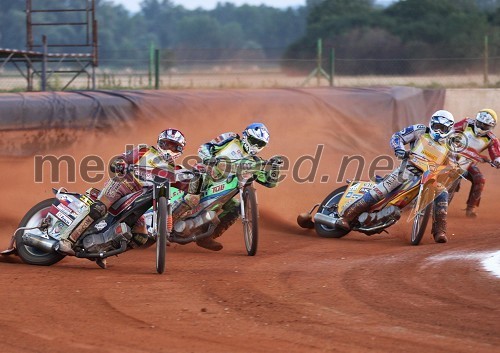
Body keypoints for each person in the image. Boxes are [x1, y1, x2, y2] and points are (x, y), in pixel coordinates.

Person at [57, 128, 198, 268]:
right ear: (160, 143)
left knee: (140, 237)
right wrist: (121, 163)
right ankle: (67, 239)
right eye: (167, 144)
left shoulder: (175, 171)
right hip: (122, 184)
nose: (169, 149)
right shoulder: (145, 151)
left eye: (174, 147)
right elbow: (122, 158)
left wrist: (198, 178)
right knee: (99, 208)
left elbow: (190, 188)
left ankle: (102, 251)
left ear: (180, 150)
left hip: (139, 198)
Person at [336, 110, 456, 243]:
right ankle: (346, 217)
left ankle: (440, 231)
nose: (438, 131)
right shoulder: (420, 130)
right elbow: (397, 136)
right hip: (407, 170)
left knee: (442, 192)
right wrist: (399, 148)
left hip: (430, 177)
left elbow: (453, 163)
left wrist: (455, 170)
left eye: (443, 128)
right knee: (382, 189)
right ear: (431, 123)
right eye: (437, 126)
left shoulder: (450, 146)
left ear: (449, 129)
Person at [187, 122, 282, 251]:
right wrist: (209, 158)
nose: (255, 146)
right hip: (208, 175)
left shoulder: (255, 162)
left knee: (236, 207)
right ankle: (170, 218)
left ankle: (205, 236)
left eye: (260, 143)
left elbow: (269, 182)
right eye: (253, 140)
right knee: (199, 170)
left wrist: (274, 168)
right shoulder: (231, 139)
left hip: (225, 189)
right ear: (245, 136)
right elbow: (205, 147)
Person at [453, 109, 500, 217]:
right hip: (451, 155)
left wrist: (497, 161)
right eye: (479, 123)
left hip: (469, 163)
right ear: (476, 120)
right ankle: (416, 198)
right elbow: (451, 130)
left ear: (491, 127)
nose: (480, 127)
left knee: (480, 179)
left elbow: (496, 154)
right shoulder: (466, 123)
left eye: (485, 126)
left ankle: (471, 208)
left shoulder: (492, 139)